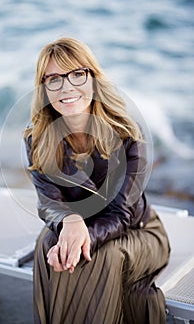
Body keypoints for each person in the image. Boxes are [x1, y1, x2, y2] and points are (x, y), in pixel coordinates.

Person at [24, 37, 170, 324]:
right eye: (53, 79)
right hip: (77, 226)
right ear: (43, 89)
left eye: (77, 74)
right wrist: (71, 223)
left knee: (101, 255)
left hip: (136, 231)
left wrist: (84, 236)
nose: (66, 86)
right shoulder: (36, 139)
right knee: (47, 243)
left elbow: (122, 214)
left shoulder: (128, 134)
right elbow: (49, 204)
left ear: (93, 78)